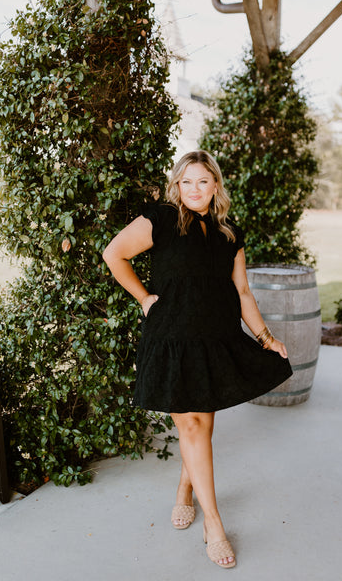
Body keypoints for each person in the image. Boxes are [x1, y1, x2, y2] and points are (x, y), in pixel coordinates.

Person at [103, 150, 292, 569]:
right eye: (187, 181)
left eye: (202, 181)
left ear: (216, 186)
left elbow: (242, 293)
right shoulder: (161, 219)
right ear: (177, 184)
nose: (194, 189)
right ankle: (215, 524)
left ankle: (185, 489)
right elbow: (113, 254)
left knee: (202, 425)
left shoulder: (230, 234)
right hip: (171, 339)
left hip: (214, 337)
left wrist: (265, 337)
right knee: (190, 423)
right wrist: (145, 299)